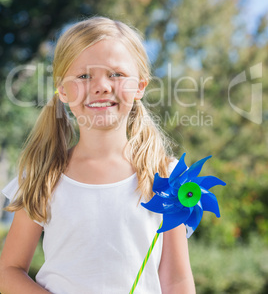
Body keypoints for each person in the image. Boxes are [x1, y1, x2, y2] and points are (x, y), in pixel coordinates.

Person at [0, 16, 195, 294]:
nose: (102, 86)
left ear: (140, 86)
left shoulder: (166, 177)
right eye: (83, 76)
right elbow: (8, 271)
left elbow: (176, 280)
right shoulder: (43, 173)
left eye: (116, 74)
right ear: (62, 90)